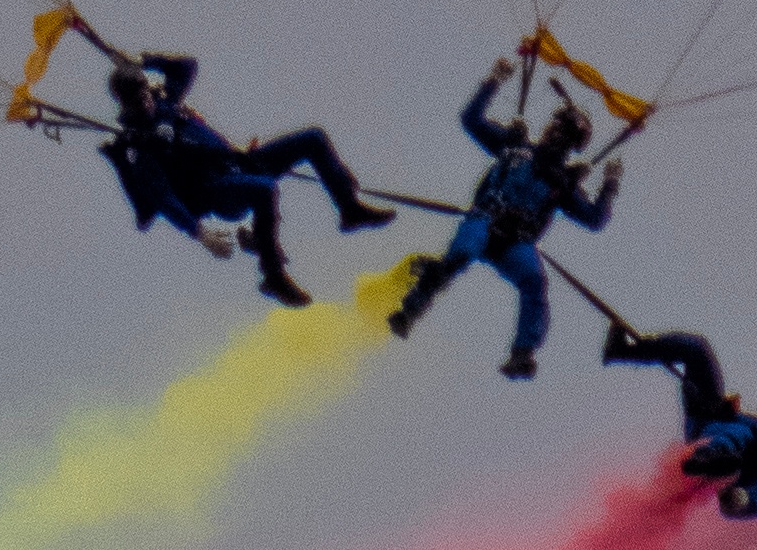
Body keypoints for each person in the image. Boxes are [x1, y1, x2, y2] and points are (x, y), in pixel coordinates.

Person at [101, 51, 396, 307]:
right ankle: (273, 275)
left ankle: (349, 208)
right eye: (139, 102)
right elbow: (161, 195)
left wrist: (144, 60)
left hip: (240, 165)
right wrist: (198, 232)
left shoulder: (164, 103)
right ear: (126, 106)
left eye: (146, 96)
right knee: (264, 190)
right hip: (214, 190)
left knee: (313, 138)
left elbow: (187, 67)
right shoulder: (136, 145)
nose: (146, 104)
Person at [388, 69, 619, 378]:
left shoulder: (563, 184)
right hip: (485, 219)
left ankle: (523, 354)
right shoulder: (515, 147)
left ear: (571, 144)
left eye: (562, 133)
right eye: (554, 127)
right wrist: (494, 80)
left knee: (535, 281)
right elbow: (471, 119)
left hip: (515, 243)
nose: (553, 134)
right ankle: (410, 310)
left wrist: (609, 186)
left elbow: (594, 219)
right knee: (464, 251)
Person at [600, 320, 757, 518]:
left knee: (740, 442)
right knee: (697, 349)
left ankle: (708, 460)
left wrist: (739, 500)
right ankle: (621, 351)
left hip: (722, 452)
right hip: (709, 415)